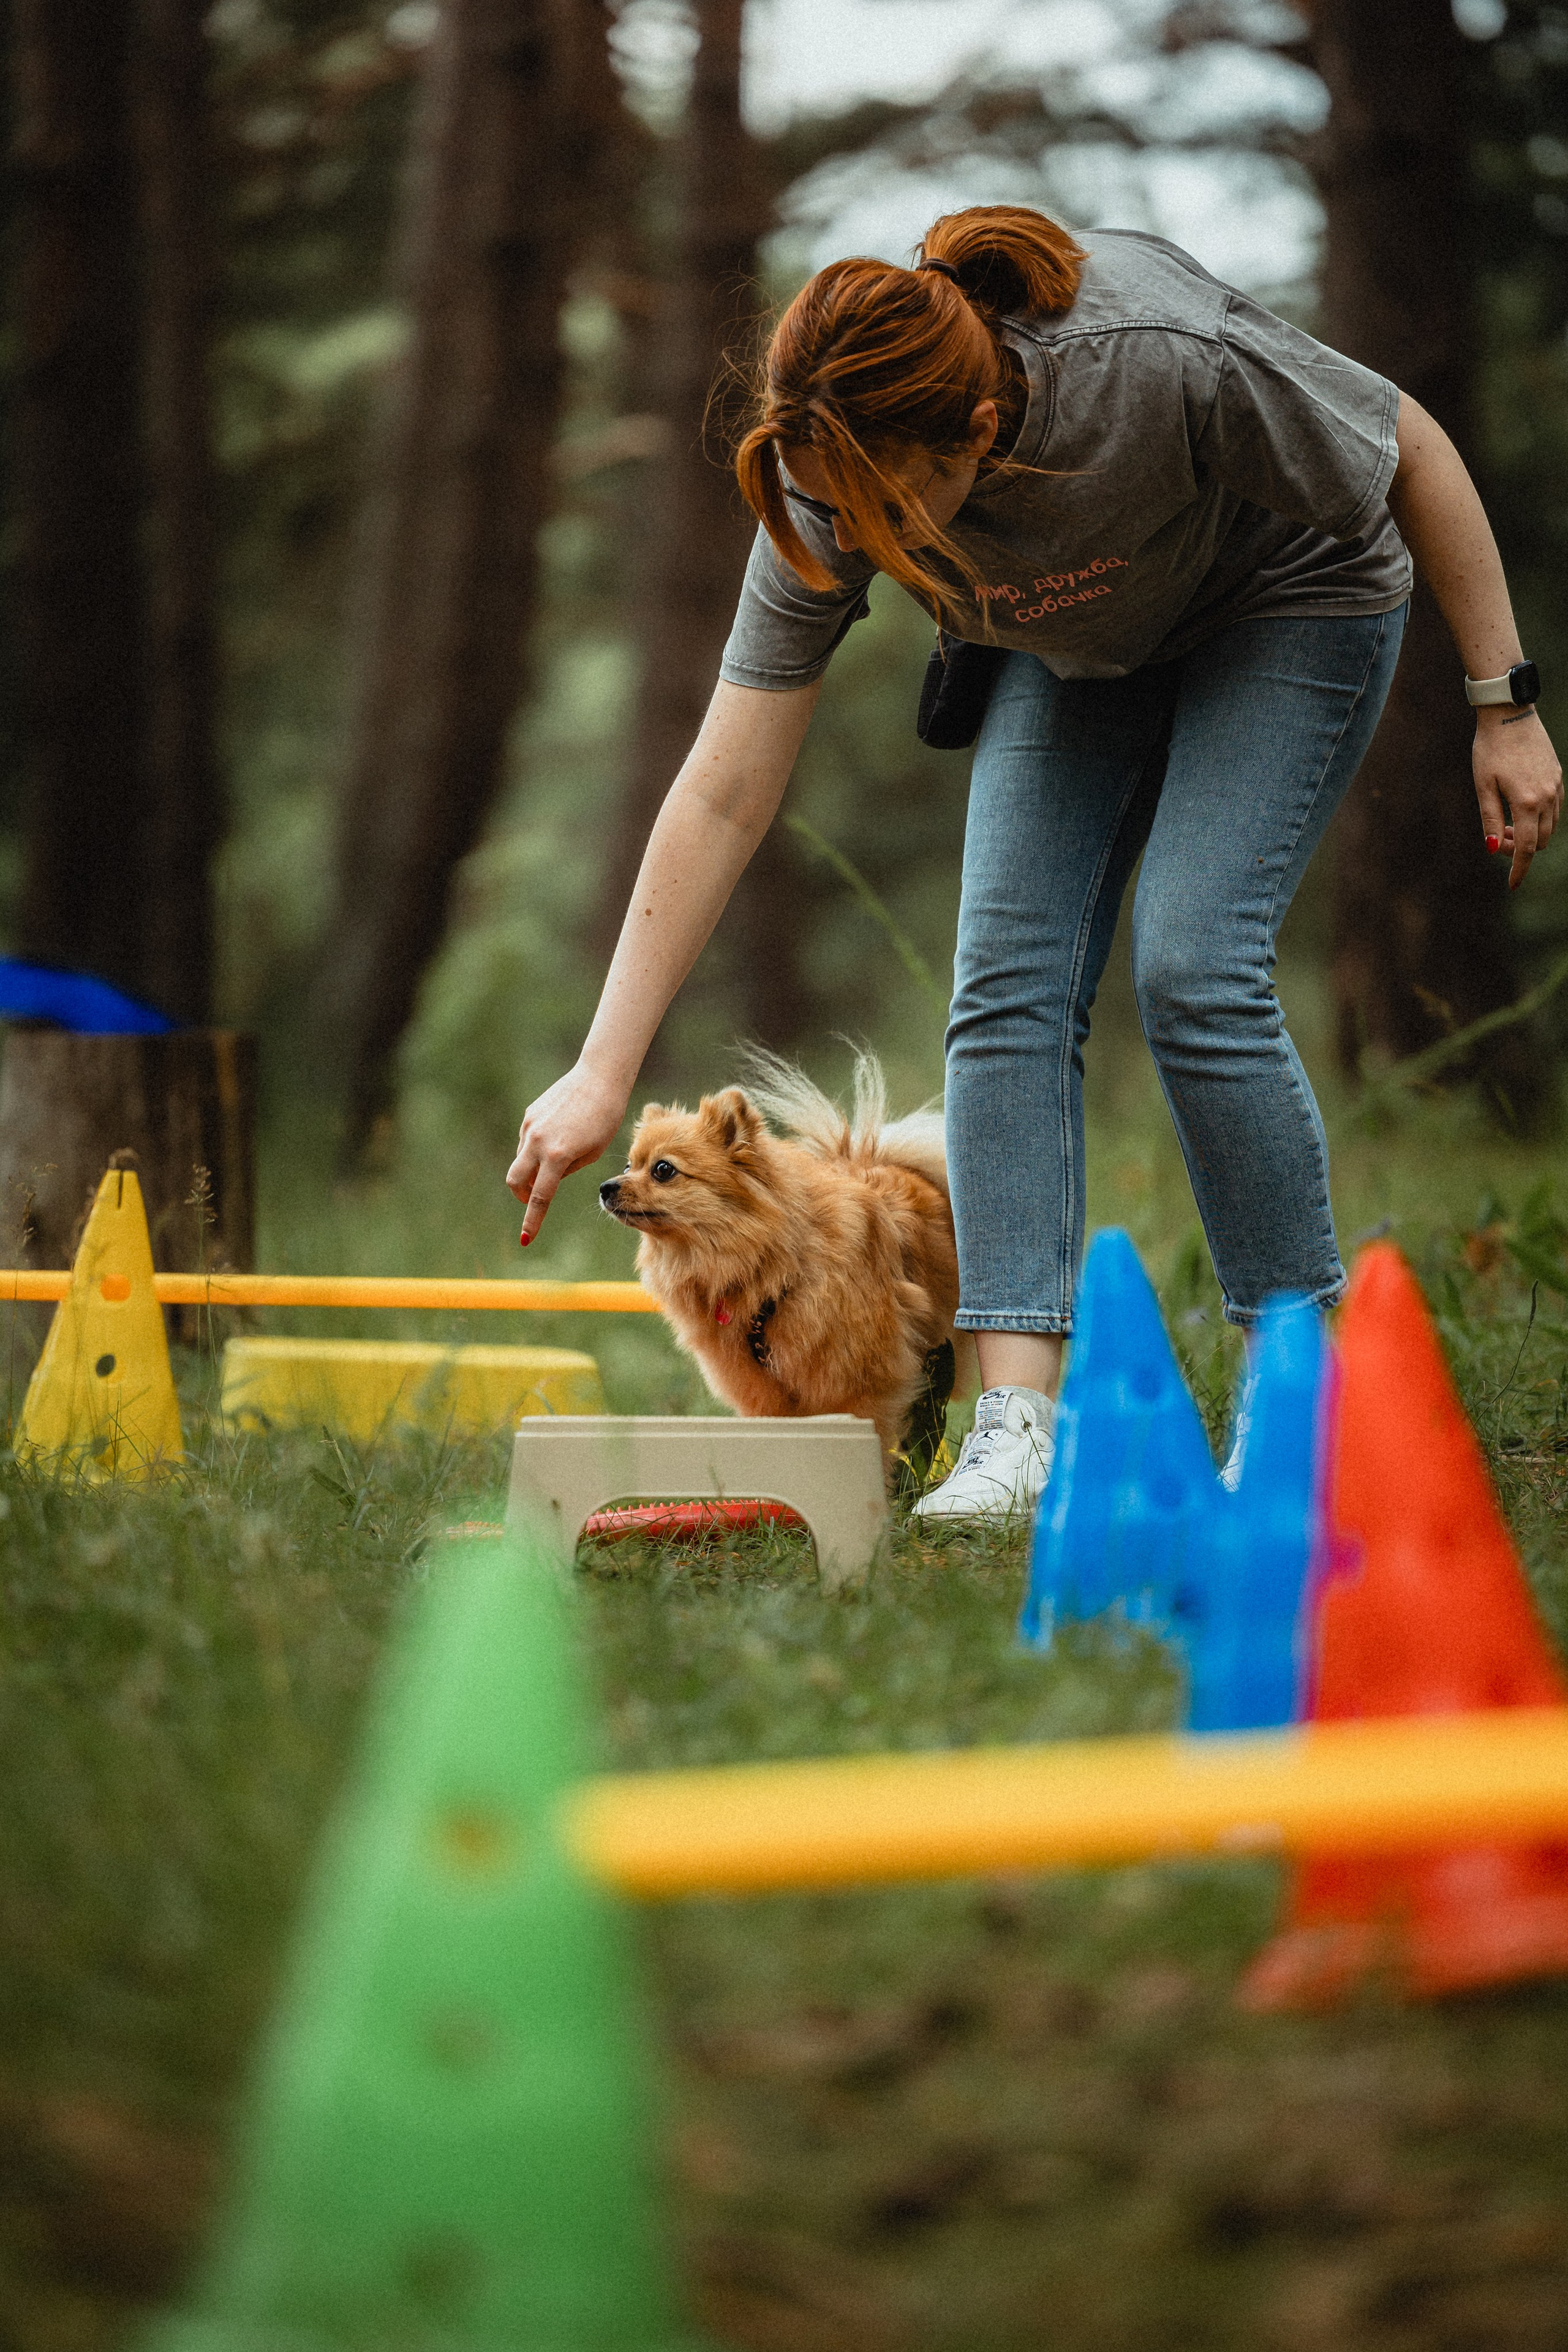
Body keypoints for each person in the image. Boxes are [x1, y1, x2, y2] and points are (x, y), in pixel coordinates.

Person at [507, 204, 1562, 1520]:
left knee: (1191, 964)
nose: (861, 544)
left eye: (886, 511)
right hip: (1075, 649)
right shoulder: (820, 479)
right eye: (838, 514)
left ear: (979, 436)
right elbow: (723, 787)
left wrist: (1499, 700)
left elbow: (1406, 443)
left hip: (1288, 595)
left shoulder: (1144, 357)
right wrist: (603, 1068)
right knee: (1001, 984)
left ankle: (1299, 1399)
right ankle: (1017, 1427)